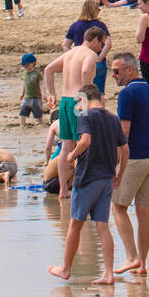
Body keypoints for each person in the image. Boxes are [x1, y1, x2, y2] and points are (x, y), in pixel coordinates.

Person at [48, 84, 127, 285]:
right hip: (106, 179)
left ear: (83, 99)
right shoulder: (113, 118)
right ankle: (108, 274)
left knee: (75, 223)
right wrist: (119, 174)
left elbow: (85, 141)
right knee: (102, 226)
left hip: (87, 177)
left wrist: (72, 156)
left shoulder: (85, 116)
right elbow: (125, 149)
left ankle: (65, 268)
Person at [108, 52, 149, 275]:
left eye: (117, 71)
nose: (113, 75)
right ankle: (142, 263)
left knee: (118, 207)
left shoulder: (127, 94)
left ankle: (131, 257)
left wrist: (116, 163)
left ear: (130, 70)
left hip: (135, 158)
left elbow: (123, 132)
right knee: (143, 211)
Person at [43, 27, 103, 198]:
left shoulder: (70, 53)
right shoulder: (89, 54)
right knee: (82, 145)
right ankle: (81, 187)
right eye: (102, 44)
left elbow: (48, 70)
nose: (101, 48)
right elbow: (85, 71)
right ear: (95, 40)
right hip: (79, 100)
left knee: (66, 147)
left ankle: (63, 190)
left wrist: (52, 94)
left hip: (64, 101)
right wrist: (87, 92)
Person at [63, 0, 110, 93]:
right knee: (99, 93)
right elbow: (108, 43)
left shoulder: (75, 25)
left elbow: (65, 45)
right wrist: (100, 58)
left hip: (79, 62)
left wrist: (74, 56)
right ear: (93, 10)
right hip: (97, 62)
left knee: (80, 91)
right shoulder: (100, 25)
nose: (99, 11)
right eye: (98, 9)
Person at [18, 53, 44, 125]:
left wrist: (43, 93)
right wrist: (22, 93)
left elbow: (41, 84)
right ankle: (22, 125)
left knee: (38, 114)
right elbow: (24, 84)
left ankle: (41, 124)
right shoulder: (24, 74)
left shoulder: (37, 74)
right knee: (22, 113)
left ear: (33, 63)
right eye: (24, 65)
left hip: (36, 98)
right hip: (27, 98)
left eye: (27, 65)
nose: (25, 67)